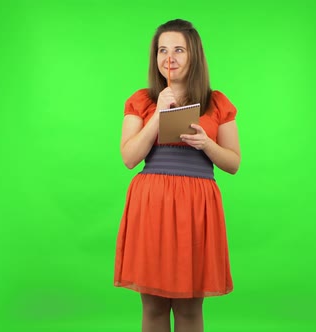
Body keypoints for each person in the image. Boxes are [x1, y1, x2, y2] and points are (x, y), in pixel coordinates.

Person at [114, 18, 241, 332]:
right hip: (152, 205)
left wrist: (207, 144)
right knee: (153, 306)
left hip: (196, 208)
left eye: (179, 50)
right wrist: (157, 116)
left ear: (194, 55)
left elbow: (233, 163)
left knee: (189, 308)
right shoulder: (142, 100)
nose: (168, 57)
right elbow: (130, 158)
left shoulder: (217, 102)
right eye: (162, 50)